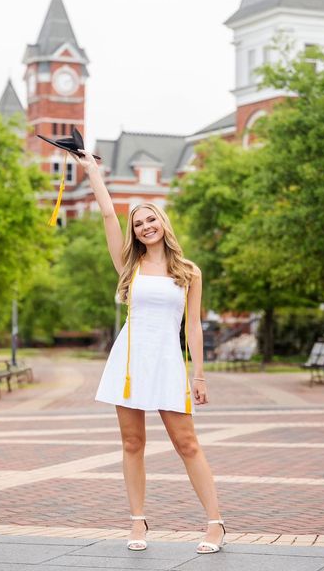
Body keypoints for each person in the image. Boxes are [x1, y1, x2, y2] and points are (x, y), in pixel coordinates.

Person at [71, 151, 226, 554]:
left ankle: (215, 523)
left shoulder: (189, 272)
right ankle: (137, 521)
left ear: (163, 222)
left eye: (150, 219)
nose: (145, 227)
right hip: (129, 360)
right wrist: (92, 172)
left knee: (187, 443)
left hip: (168, 362)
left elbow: (192, 326)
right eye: (138, 223)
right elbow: (108, 215)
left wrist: (200, 375)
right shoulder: (129, 266)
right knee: (132, 443)